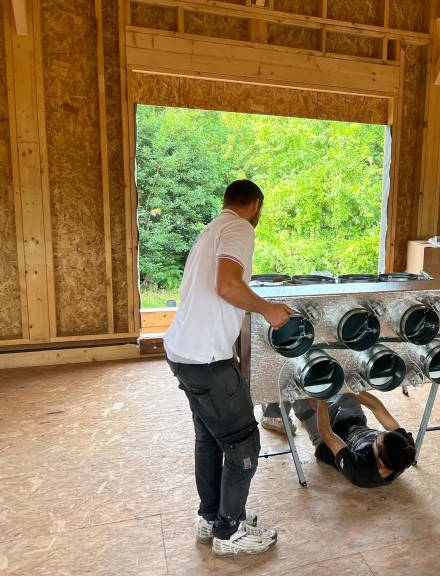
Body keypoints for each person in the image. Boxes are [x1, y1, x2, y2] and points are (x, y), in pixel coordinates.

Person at [164, 179, 293, 556]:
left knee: (209, 435)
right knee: (242, 443)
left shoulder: (210, 229)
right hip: (205, 361)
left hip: (184, 353)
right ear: (255, 205)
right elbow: (227, 285)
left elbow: (212, 293)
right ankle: (229, 531)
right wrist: (268, 309)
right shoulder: (239, 227)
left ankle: (210, 517)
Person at [293, 392, 416, 488]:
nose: (375, 436)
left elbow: (327, 434)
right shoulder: (404, 448)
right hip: (353, 421)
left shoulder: (359, 471)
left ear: (381, 463)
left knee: (299, 393)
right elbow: (376, 406)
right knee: (341, 381)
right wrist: (348, 387)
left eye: (376, 441)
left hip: (326, 441)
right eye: (381, 434)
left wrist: (321, 398)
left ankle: (275, 417)